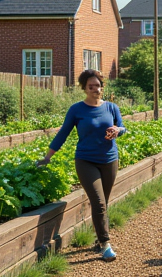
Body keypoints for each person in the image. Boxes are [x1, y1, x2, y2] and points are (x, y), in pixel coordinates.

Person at [37, 69, 127, 262]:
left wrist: (117, 130)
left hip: (110, 160)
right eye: (91, 86)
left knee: (103, 203)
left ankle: (98, 239)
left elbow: (122, 127)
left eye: (98, 86)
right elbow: (63, 133)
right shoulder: (77, 110)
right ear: (84, 89)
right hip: (86, 160)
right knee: (99, 202)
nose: (96, 89)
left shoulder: (112, 107)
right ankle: (105, 245)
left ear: (103, 87)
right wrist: (48, 156)